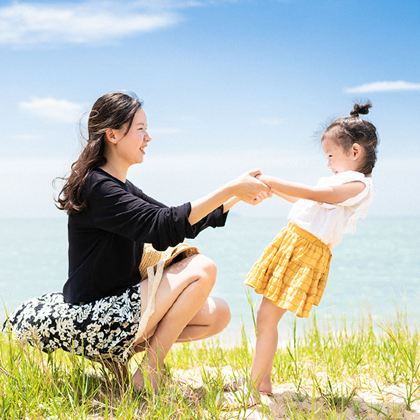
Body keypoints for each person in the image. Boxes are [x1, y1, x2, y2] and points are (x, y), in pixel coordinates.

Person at [5, 91, 271, 393]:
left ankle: (121, 357)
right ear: (113, 134)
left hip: (117, 308)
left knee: (218, 314)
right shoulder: (98, 188)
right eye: (141, 129)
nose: (149, 137)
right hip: (95, 317)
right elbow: (163, 227)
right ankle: (149, 374)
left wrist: (237, 197)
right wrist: (229, 188)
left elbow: (173, 220)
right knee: (202, 268)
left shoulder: (119, 186)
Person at [226, 102, 379, 405]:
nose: (328, 163)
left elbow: (320, 195)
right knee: (265, 316)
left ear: (355, 152)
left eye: (331, 156)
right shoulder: (341, 179)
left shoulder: (357, 184)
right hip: (294, 242)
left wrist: (273, 180)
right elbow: (307, 203)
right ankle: (260, 378)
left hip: (305, 249)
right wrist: (271, 190)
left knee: (267, 317)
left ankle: (259, 384)